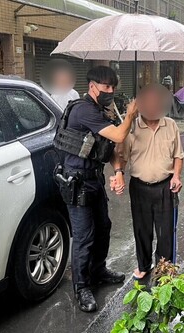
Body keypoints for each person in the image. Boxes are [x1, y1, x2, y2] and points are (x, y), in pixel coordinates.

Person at [53, 66, 138, 312]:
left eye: (113, 87)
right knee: (83, 237)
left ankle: (98, 270)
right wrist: (130, 115)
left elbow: (105, 149)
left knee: (103, 228)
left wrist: (119, 171)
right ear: (92, 86)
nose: (110, 91)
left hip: (93, 179)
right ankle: (82, 287)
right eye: (105, 87)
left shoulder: (99, 111)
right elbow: (120, 136)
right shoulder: (82, 110)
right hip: (76, 182)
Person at [112, 84, 184, 280]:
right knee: (141, 229)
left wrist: (176, 176)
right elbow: (121, 157)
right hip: (140, 187)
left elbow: (178, 155)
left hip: (165, 186)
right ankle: (144, 265)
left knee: (166, 232)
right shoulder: (132, 128)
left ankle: (164, 267)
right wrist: (118, 174)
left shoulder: (171, 125)